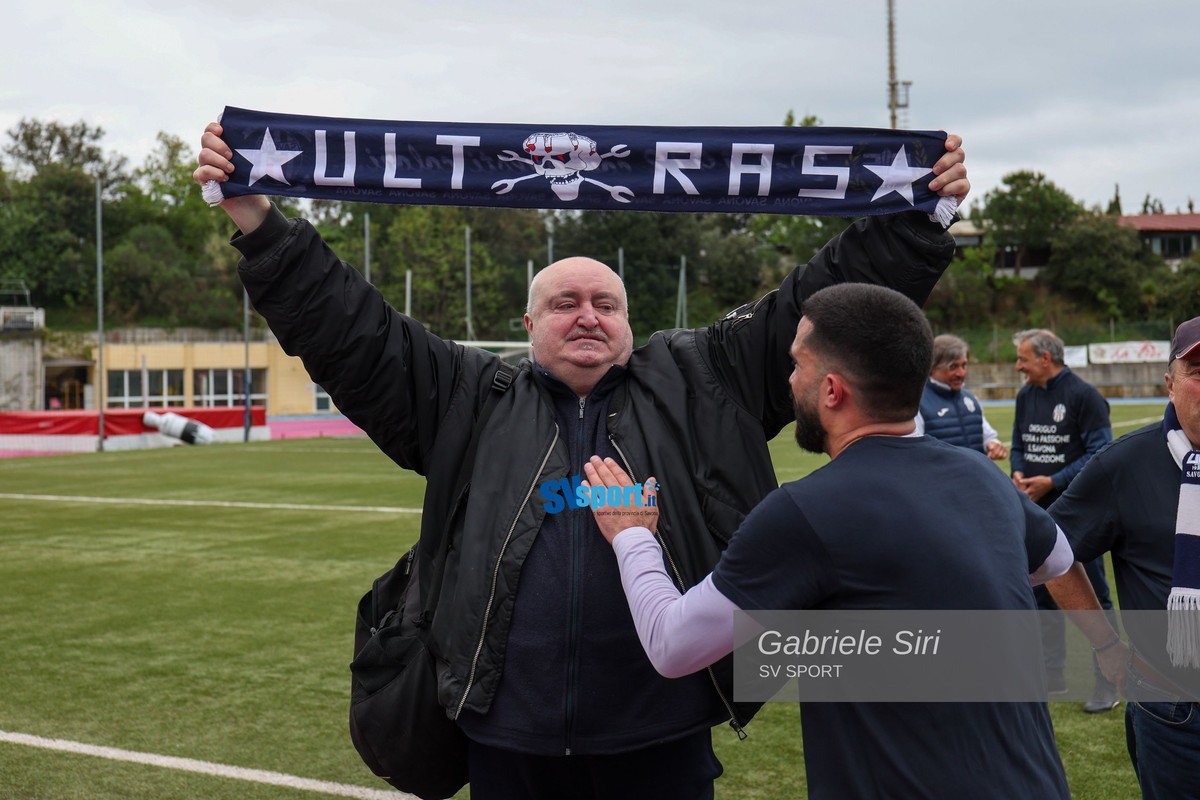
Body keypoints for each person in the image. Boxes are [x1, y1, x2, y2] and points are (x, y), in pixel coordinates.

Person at [195, 122, 968, 799]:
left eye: (606, 304)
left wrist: (915, 219)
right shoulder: (470, 397)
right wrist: (260, 224)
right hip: (507, 743)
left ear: (631, 322)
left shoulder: (704, 379)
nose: (588, 316)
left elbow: (818, 301)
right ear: (528, 323)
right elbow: (353, 332)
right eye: (565, 304)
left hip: (663, 737)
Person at [583, 283, 1073, 799]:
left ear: (833, 391)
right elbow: (1058, 558)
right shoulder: (981, 475)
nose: (789, 380)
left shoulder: (808, 510)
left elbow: (672, 646)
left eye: (797, 365)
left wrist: (632, 534)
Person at [1046, 316, 1200, 800]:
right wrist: (1106, 645)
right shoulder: (1124, 465)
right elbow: (1049, 552)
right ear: (1169, 385)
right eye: (1198, 372)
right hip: (1174, 711)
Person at [1010, 327, 1120, 712]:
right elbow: (1020, 444)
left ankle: (1108, 682)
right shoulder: (1025, 396)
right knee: (1040, 589)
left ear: (1045, 359)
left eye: (1022, 358)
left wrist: (1052, 481)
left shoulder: (1084, 396)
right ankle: (1052, 674)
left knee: (1093, 595)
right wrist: (1019, 473)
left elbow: (1100, 454)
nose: (1018, 366)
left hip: (1079, 513)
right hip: (1036, 511)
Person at [915, 333, 1007, 459]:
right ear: (933, 367)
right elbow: (916, 451)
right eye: (953, 367)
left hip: (975, 472)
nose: (961, 373)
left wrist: (994, 445)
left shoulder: (971, 399)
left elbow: (988, 436)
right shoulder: (918, 403)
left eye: (964, 365)